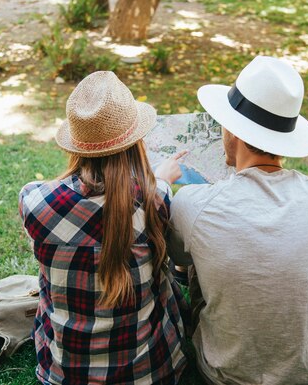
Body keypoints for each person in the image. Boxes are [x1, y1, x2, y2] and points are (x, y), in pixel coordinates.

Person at [167, 56, 308, 385]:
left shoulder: (193, 203)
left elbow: (178, 262)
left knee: (197, 254)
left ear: (231, 131)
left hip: (224, 376)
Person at [19, 71, 188, 385]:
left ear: (77, 145)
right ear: (135, 141)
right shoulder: (155, 198)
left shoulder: (35, 202)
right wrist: (159, 178)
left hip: (63, 375)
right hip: (149, 372)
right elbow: (134, 199)